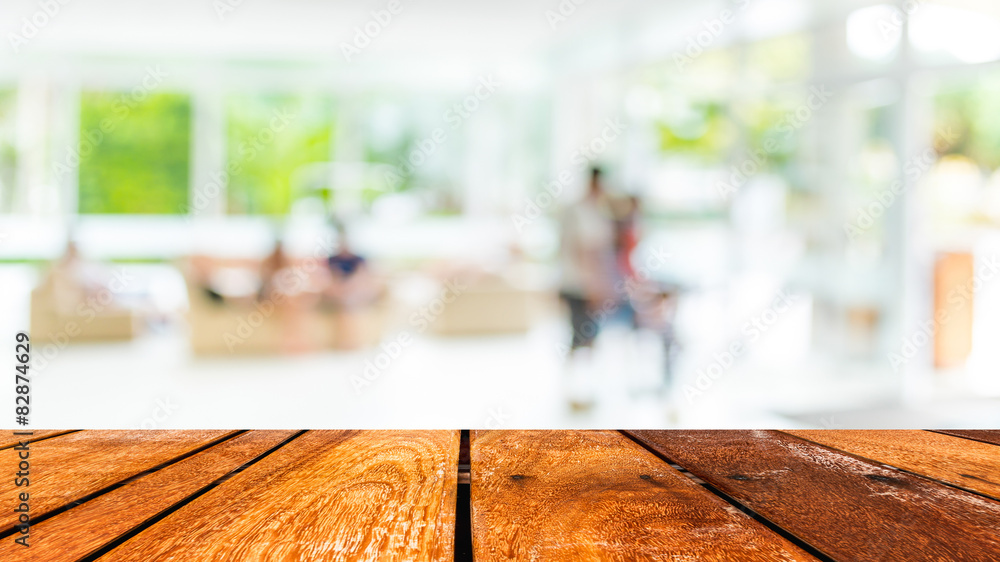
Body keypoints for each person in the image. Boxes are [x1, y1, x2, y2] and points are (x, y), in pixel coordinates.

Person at [558, 167, 617, 409]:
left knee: (590, 339)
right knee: (580, 338)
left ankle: (584, 390)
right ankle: (576, 391)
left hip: (590, 286)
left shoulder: (598, 212)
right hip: (580, 286)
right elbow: (583, 252)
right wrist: (594, 285)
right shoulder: (578, 212)